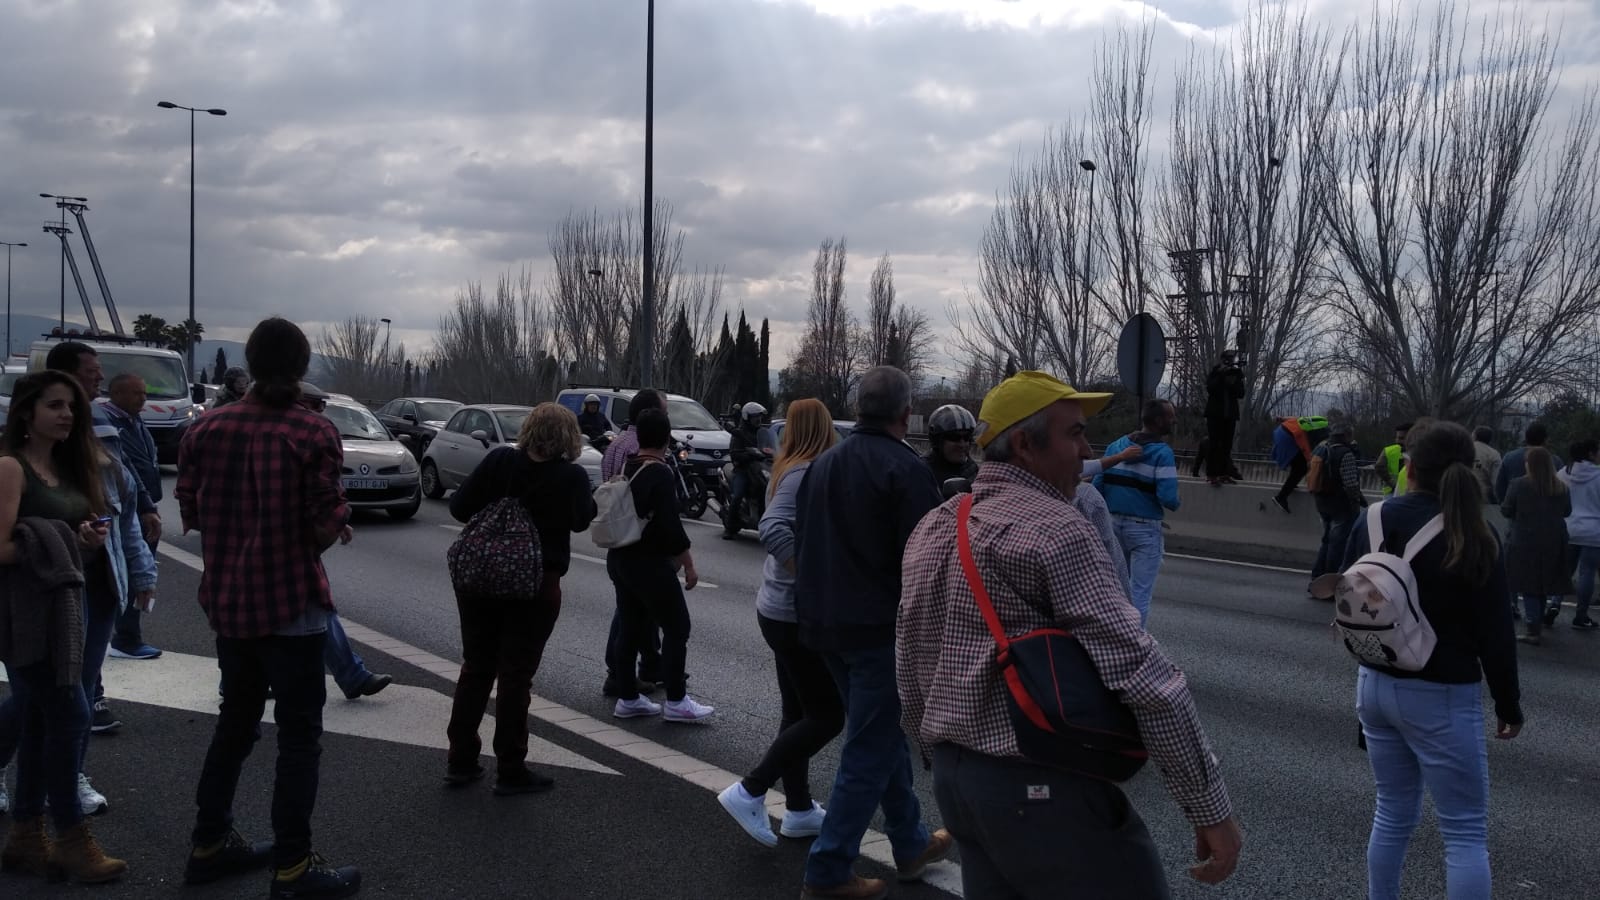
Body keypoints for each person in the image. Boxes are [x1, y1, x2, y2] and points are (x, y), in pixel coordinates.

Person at [899, 370, 1242, 899]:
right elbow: (1144, 676)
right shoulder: (1055, 528)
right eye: (1075, 433)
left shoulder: (935, 524)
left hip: (956, 782)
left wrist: (935, 752)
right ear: (1023, 444)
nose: (1088, 450)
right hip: (1040, 789)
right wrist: (1208, 805)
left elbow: (910, 655)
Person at [175, 318, 359, 896]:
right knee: (299, 736)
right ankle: (293, 867)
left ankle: (209, 843)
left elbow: (193, 510)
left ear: (250, 364)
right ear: (302, 367)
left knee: (236, 722)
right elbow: (323, 522)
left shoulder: (205, 428)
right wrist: (337, 522)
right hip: (290, 606)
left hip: (229, 602)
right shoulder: (312, 431)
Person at [1340, 419, 1522, 900]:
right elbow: (1496, 634)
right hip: (1441, 691)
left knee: (1392, 812)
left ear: (1410, 466)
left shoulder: (1372, 519)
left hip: (1374, 683)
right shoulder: (1475, 535)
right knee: (1463, 833)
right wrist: (1508, 704)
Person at [792, 366, 950, 899]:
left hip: (823, 625)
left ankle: (908, 842)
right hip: (878, 629)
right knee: (869, 745)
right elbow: (927, 562)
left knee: (880, 737)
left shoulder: (822, 465)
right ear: (908, 416)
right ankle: (829, 868)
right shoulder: (905, 471)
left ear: (858, 409)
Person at [0, 372, 127, 883]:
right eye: (55, 405)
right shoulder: (10, 468)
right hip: (24, 617)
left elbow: (69, 537)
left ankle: (27, 836)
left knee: (36, 721)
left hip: (66, 613)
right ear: (28, 412)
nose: (67, 415)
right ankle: (71, 839)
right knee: (72, 714)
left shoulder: (68, 468)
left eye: (72, 407)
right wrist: (59, 539)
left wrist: (86, 539)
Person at [445, 403, 597, 793]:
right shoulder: (571, 476)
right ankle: (510, 769)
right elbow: (582, 520)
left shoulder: (498, 461)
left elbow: (459, 507)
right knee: (515, 676)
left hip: (478, 581)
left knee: (476, 666)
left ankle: (461, 760)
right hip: (535, 585)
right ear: (569, 438)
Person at [717, 398, 843, 847]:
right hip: (794, 613)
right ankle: (750, 788)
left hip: (777, 609)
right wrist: (812, 579)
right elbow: (773, 529)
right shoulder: (807, 471)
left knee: (798, 713)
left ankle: (799, 809)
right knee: (829, 715)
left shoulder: (788, 466)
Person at [46, 341, 160, 734]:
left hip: (103, 579)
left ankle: (70, 780)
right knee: (44, 693)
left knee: (78, 688)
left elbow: (123, 509)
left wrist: (143, 572)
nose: (98, 377)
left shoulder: (104, 430)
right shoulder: (29, 448)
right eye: (90, 371)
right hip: (52, 584)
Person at [606, 408, 713, 722]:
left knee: (630, 627)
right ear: (667, 438)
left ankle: (628, 697)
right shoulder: (660, 472)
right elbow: (671, 527)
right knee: (677, 627)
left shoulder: (630, 464)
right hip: (649, 563)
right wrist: (689, 565)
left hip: (621, 558)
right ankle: (677, 701)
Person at [296, 383, 391, 701]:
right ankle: (351, 676)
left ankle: (352, 675)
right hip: (279, 548)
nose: (322, 412)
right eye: (316, 405)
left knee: (316, 608)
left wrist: (335, 522)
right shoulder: (303, 435)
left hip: (276, 548)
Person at [599, 390, 667, 698]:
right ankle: (619, 671)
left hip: (618, 535)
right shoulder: (639, 448)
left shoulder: (616, 444)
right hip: (638, 538)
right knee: (630, 611)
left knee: (636, 607)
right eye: (663, 411)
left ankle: (649, 665)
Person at [1095, 399, 1181, 627]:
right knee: (1139, 592)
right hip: (1145, 528)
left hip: (1112, 524)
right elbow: (1168, 498)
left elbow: (1096, 487)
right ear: (1159, 420)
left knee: (1116, 587)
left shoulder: (1115, 447)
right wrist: (1176, 501)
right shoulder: (1163, 454)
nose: (1174, 420)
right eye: (1171, 416)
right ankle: (1134, 640)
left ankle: (1113, 633)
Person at [104, 373, 163, 661]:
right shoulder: (110, 423)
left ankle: (128, 635)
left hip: (144, 506)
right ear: (116, 394)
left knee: (139, 569)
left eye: (144, 392)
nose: (143, 398)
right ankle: (126, 638)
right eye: (136, 393)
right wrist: (144, 503)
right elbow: (128, 469)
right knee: (131, 571)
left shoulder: (134, 421)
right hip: (132, 508)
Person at [1500, 446, 1571, 644]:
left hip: (1524, 539)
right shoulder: (1561, 487)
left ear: (1529, 464)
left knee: (1528, 584)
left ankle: (1533, 629)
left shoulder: (1518, 485)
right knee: (1542, 584)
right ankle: (1537, 621)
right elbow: (1567, 511)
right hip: (1554, 539)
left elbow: (1506, 509)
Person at [1310, 422, 1366, 586]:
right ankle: (1330, 582)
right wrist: (1358, 500)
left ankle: (1317, 577)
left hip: (1322, 503)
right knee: (1338, 544)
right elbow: (1350, 484)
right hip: (1341, 506)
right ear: (1347, 436)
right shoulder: (1345, 453)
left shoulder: (1320, 450)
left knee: (1326, 541)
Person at [1556, 439, 1600, 630]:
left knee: (1563, 572)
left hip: (1567, 527)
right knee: (1587, 573)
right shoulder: (1598, 475)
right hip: (1593, 530)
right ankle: (1581, 616)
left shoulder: (1561, 474)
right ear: (1590, 454)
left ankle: (1553, 604)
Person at [722, 401, 769, 538]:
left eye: (760, 417)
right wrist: (749, 454)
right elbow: (734, 454)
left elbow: (770, 447)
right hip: (742, 470)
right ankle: (730, 528)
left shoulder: (762, 433)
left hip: (759, 469)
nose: (758, 420)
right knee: (738, 495)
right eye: (755, 417)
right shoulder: (739, 434)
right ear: (747, 417)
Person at [1270, 415, 1329, 513]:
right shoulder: (1307, 433)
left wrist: (1282, 418)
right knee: (1301, 468)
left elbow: (1297, 418)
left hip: (1280, 430)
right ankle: (1280, 497)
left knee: (1297, 463)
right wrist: (1310, 461)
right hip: (1288, 438)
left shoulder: (1312, 422)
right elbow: (1305, 448)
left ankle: (1291, 483)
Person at [1203, 349, 1245, 485]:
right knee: (1214, 444)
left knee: (1227, 446)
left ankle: (1224, 473)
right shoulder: (1215, 372)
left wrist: (1233, 381)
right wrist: (1221, 376)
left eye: (1232, 358)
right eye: (1229, 358)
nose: (1231, 361)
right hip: (1215, 415)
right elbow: (1210, 388)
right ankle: (1211, 474)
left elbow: (1240, 393)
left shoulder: (1236, 373)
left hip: (1230, 415)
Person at [1496, 422, 1561, 503]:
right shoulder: (1555, 461)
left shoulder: (1509, 457)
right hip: (1548, 510)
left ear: (1526, 438)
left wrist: (1506, 504)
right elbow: (1561, 488)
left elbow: (1500, 487)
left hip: (1517, 509)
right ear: (1546, 439)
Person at [923, 404, 979, 485]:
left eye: (967, 437)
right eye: (954, 437)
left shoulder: (972, 469)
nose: (962, 444)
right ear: (937, 441)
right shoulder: (922, 472)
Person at [1375, 422, 1412, 498]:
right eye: (1396, 437)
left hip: (1407, 493)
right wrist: (1392, 483)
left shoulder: (1422, 453)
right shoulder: (1388, 451)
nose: (1397, 441)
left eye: (1401, 438)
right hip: (1392, 492)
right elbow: (1378, 467)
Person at [1472, 426, 1502, 504]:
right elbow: (1495, 481)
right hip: (1483, 495)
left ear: (1475, 436)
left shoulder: (1463, 448)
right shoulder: (1494, 454)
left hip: (1461, 491)